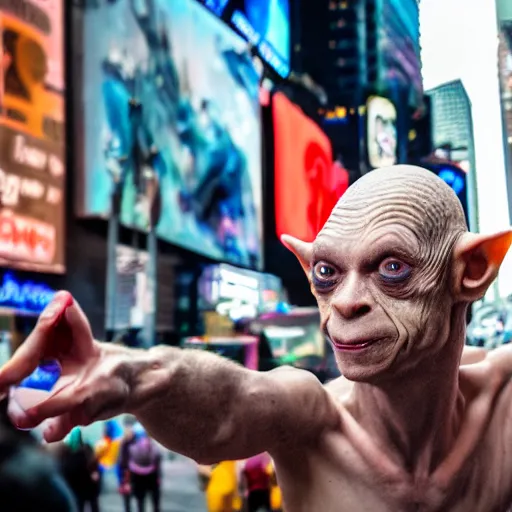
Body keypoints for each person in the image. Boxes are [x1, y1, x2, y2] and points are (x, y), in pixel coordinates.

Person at [3, 165, 512, 511]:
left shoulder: (503, 400)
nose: (345, 302)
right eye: (328, 274)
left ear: (471, 270)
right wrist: (127, 374)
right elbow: (234, 401)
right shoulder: (314, 418)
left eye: (393, 267)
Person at [59, 427, 101, 512]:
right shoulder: (86, 448)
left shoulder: (68, 451)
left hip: (79, 486)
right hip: (87, 485)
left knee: (80, 506)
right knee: (90, 505)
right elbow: (93, 463)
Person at [127, 427, 161, 512]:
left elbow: (128, 462)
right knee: (154, 501)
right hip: (152, 475)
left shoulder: (132, 447)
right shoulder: (153, 446)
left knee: (140, 501)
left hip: (137, 475)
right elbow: (157, 458)